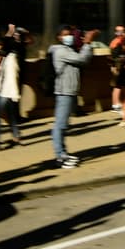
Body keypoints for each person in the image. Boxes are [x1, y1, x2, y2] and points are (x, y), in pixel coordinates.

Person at [47, 25, 95, 168]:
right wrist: (87, 43)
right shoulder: (61, 51)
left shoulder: (67, 49)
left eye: (70, 34)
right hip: (64, 92)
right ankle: (60, 156)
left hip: (69, 91)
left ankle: (63, 153)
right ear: (59, 37)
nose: (68, 37)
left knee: (63, 125)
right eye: (65, 35)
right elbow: (82, 59)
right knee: (59, 125)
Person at [0, 36, 23, 147]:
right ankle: (16, 137)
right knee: (11, 116)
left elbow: (13, 77)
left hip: (7, 92)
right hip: (6, 91)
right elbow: (1, 76)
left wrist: (14, 93)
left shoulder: (11, 59)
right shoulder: (7, 58)